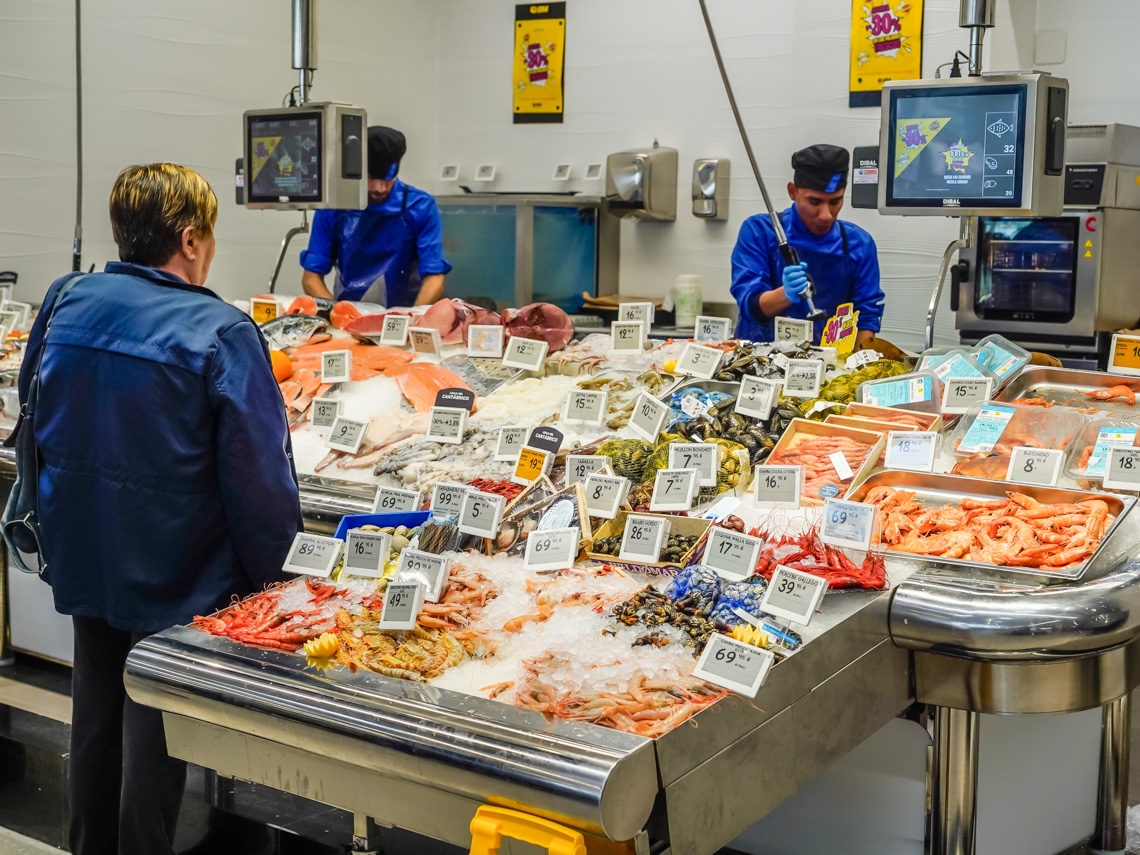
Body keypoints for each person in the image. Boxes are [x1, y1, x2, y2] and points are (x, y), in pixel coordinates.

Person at [22, 163, 303, 855]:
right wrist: (283, 585)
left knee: (95, 716)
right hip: (179, 571)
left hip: (85, 548)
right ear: (189, 239)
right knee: (154, 728)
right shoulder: (221, 330)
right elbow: (259, 479)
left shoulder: (66, 298)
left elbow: (31, 417)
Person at [730, 144, 885, 345]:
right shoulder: (759, 231)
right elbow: (751, 305)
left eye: (835, 201)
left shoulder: (859, 244)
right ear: (792, 191)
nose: (826, 215)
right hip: (760, 355)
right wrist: (785, 294)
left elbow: (866, 316)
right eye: (814, 202)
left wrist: (862, 361)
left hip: (830, 360)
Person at [300, 125, 451, 306]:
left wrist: (412, 317)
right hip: (348, 312)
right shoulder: (333, 207)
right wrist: (339, 314)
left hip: (405, 313)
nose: (379, 189)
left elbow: (435, 278)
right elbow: (311, 278)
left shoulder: (420, 206)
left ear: (400, 162)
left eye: (387, 179)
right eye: (370, 178)